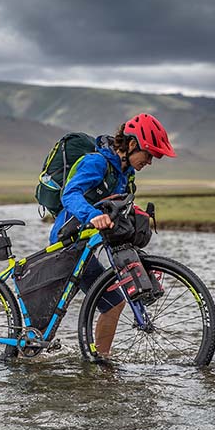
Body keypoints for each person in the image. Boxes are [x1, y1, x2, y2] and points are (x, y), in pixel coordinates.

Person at [49, 113, 176, 357]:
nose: (150, 161)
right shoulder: (96, 163)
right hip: (67, 242)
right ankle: (29, 356)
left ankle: (100, 361)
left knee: (112, 303)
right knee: (49, 314)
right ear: (131, 144)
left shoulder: (125, 174)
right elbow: (70, 194)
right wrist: (91, 215)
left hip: (87, 245)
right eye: (148, 154)